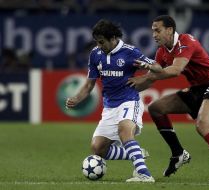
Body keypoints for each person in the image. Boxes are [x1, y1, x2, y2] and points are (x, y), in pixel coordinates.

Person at [127, 15, 209, 183]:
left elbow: (176, 70)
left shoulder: (186, 41)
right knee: (155, 108)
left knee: (203, 125)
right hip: (196, 89)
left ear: (170, 30)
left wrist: (150, 68)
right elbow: (151, 78)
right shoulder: (162, 52)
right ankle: (178, 153)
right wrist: (129, 87)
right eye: (152, 31)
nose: (154, 35)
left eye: (157, 30)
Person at [65, 19, 155, 183]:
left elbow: (157, 68)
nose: (99, 45)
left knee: (125, 130)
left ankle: (144, 174)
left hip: (129, 101)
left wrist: (145, 79)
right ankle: (136, 153)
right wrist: (76, 99)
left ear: (113, 38)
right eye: (97, 42)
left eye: (102, 42)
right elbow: (89, 84)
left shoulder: (130, 52)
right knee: (98, 149)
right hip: (109, 107)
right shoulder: (95, 54)